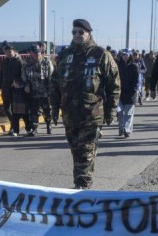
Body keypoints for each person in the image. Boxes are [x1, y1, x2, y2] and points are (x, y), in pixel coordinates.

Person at [50, 19, 119, 189]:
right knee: (77, 153)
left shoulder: (101, 55)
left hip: (92, 114)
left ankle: (81, 190)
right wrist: (53, 108)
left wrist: (111, 110)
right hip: (69, 115)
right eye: (74, 32)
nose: (77, 35)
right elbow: (55, 83)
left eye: (81, 32)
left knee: (85, 155)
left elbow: (114, 85)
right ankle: (82, 185)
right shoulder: (65, 55)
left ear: (89, 33)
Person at [22, 42, 55, 135]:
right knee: (33, 110)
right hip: (33, 91)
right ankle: (34, 127)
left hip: (45, 91)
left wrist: (50, 89)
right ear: (30, 53)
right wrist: (26, 85)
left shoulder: (46, 61)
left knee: (47, 110)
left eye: (38, 52)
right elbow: (24, 76)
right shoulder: (26, 63)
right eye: (35, 53)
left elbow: (50, 75)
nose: (37, 55)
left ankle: (49, 124)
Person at [1, 45, 29, 136]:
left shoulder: (19, 62)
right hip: (6, 88)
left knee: (14, 110)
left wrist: (19, 83)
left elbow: (24, 75)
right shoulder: (4, 62)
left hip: (16, 89)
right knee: (6, 108)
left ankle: (14, 128)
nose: (8, 53)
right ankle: (13, 125)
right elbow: (1, 75)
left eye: (10, 51)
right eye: (6, 52)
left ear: (14, 51)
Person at [116, 49, 139, 138]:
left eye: (127, 55)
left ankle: (127, 130)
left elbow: (136, 81)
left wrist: (134, 90)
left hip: (130, 94)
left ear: (130, 56)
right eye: (124, 55)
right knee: (120, 112)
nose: (125, 56)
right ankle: (121, 129)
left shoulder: (134, 66)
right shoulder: (118, 66)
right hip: (120, 93)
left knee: (129, 113)